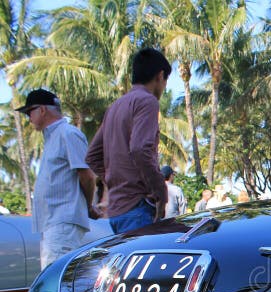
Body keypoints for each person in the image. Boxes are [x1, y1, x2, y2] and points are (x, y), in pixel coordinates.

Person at [86, 48, 171, 234]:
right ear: (160, 76)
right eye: (165, 82)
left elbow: (92, 156)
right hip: (137, 208)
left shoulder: (115, 106)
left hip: (117, 211)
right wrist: (160, 192)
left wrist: (115, 179)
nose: (164, 88)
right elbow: (141, 149)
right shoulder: (147, 101)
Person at [17, 89, 99, 268]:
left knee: (55, 280)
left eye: (29, 112)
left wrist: (88, 206)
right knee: (53, 277)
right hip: (53, 223)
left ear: (42, 110)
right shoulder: (53, 138)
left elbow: (87, 176)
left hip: (63, 222)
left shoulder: (67, 134)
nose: (28, 118)